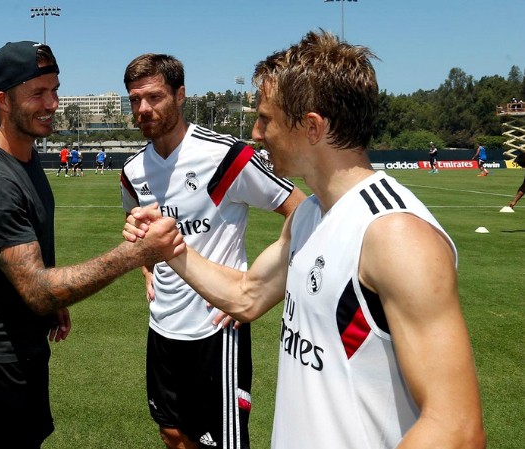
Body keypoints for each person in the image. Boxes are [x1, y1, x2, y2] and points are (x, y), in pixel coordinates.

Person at [127, 31, 485, 449]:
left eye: (266, 119)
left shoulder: (394, 235)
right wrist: (170, 246)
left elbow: (455, 429)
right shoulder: (309, 216)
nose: (257, 134)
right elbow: (246, 295)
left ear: (311, 127)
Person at [0, 41, 183, 449]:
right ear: (2, 101)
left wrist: (54, 303)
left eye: (54, 89)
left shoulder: (23, 157)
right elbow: (37, 290)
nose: (53, 102)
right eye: (38, 93)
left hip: (22, 347)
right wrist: (135, 255)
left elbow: (34, 275)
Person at [121, 53, 305, 449]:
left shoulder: (225, 157)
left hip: (216, 330)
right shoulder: (133, 170)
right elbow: (139, 230)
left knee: (219, 444)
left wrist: (257, 289)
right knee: (172, 432)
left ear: (181, 94)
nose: (143, 109)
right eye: (135, 100)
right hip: (163, 327)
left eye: (154, 97)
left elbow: (302, 209)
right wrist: (145, 265)